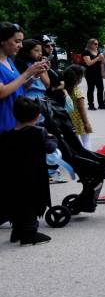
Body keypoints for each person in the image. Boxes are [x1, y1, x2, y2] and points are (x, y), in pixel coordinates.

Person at [0, 97, 53, 245]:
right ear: (37, 116)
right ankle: (29, 234)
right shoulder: (38, 133)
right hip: (33, 178)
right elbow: (51, 147)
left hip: (11, 178)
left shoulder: (6, 136)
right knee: (30, 207)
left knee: (16, 204)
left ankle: (17, 230)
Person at [1, 23, 48, 133]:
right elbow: (2, 92)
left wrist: (34, 75)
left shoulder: (9, 61)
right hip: (3, 124)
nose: (21, 46)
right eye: (17, 41)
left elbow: (19, 87)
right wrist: (26, 74)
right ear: (2, 40)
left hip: (16, 123)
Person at [63, 65, 93, 149]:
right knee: (86, 140)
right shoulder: (77, 91)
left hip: (69, 119)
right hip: (80, 120)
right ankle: (89, 157)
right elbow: (82, 109)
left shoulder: (64, 89)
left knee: (76, 142)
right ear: (78, 79)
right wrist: (86, 122)